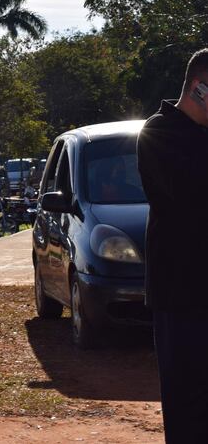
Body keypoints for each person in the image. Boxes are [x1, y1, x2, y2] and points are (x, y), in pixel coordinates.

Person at [137, 48, 208, 443]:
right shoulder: (159, 134)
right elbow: (191, 198)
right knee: (188, 409)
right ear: (199, 89)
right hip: (182, 298)